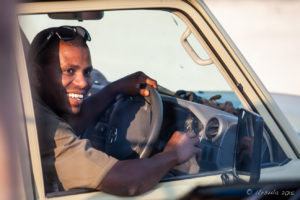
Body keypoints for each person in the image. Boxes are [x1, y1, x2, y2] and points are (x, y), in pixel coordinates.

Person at [27, 26, 201, 196]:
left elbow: (70, 124)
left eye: (87, 72)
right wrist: (172, 155)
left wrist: (114, 89)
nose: (84, 83)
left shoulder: (29, 106)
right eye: (69, 71)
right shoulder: (42, 124)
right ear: (35, 74)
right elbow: (126, 182)